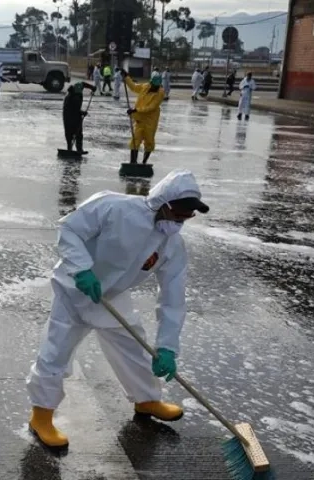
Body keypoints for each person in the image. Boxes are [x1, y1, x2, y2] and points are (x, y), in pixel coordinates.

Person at [26, 169, 209, 449]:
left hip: (111, 295)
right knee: (56, 351)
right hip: (75, 289)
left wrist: (168, 347)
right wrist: (81, 269)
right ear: (165, 203)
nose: (184, 219)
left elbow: (173, 296)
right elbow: (69, 228)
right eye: (181, 212)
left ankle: (147, 399)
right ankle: (41, 415)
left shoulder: (172, 244)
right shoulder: (114, 207)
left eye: (189, 215)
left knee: (133, 347)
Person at [123, 70, 165, 165]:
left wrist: (136, 110)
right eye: (154, 85)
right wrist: (126, 77)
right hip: (139, 118)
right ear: (151, 82)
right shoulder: (145, 86)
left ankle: (144, 163)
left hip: (150, 120)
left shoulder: (160, 93)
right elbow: (134, 87)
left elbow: (151, 107)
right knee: (135, 139)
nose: (155, 87)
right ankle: (133, 163)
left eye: (157, 85)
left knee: (149, 141)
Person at [62, 82, 97, 153]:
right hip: (69, 117)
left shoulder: (77, 87)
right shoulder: (71, 98)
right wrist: (82, 113)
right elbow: (74, 110)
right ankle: (70, 148)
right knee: (72, 133)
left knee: (78, 133)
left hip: (75, 116)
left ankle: (79, 149)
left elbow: (83, 84)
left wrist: (92, 87)